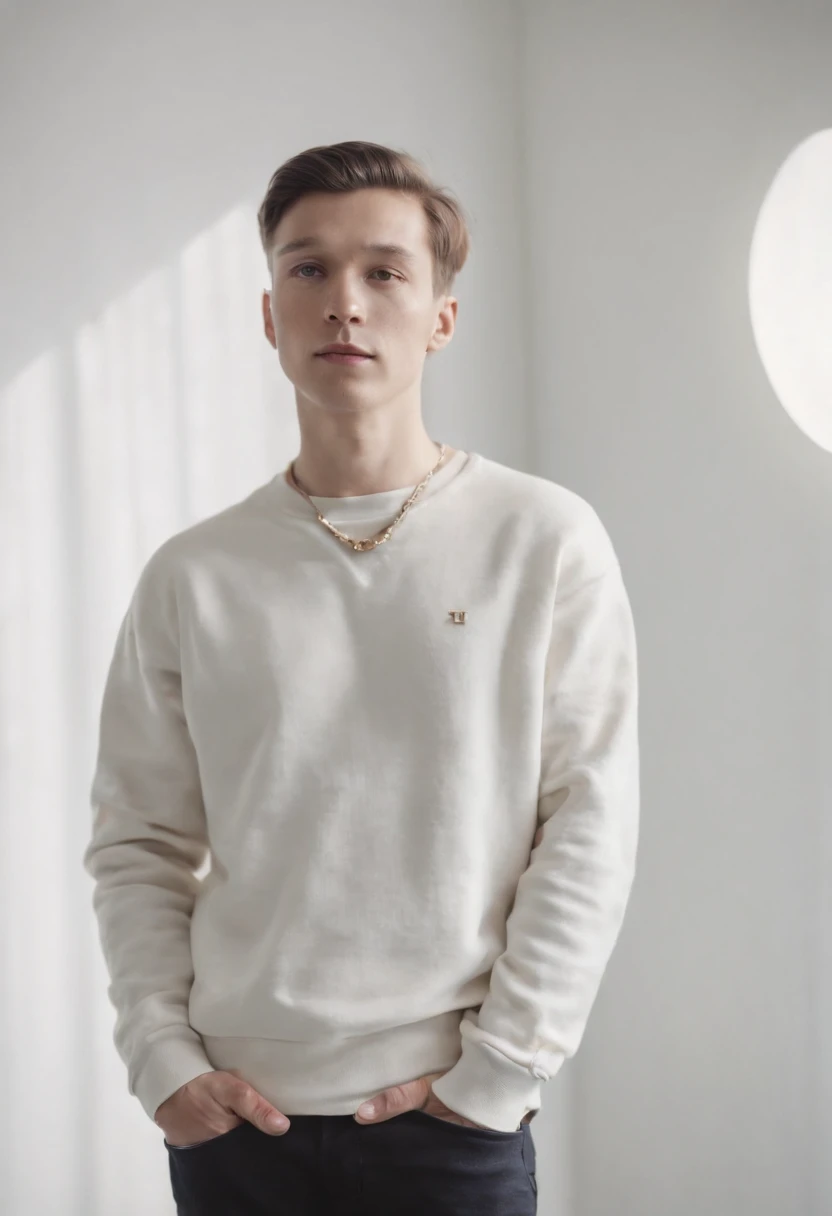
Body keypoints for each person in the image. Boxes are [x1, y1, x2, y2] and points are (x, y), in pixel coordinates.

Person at [82, 140, 640, 1216]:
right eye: (308, 269)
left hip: (451, 1120)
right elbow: (139, 841)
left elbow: (588, 823)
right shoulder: (193, 574)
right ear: (268, 313)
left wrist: (499, 1074)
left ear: (440, 316)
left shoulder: (543, 539)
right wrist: (162, 1060)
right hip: (236, 1122)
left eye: (384, 271)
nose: (344, 301)